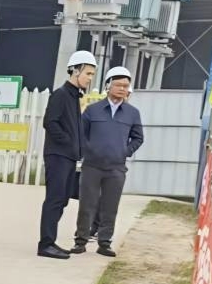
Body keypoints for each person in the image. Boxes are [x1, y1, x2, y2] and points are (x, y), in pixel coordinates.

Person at [73, 67, 144, 258]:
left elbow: (138, 138)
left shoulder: (132, 113)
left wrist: (124, 151)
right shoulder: (92, 110)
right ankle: (80, 240)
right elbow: (81, 134)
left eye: (126, 86)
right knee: (87, 205)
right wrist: (89, 150)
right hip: (92, 166)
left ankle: (104, 242)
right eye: (118, 85)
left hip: (116, 168)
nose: (122, 89)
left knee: (110, 206)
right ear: (108, 86)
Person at [38, 50, 96, 259]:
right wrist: (69, 143)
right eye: (88, 73)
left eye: (92, 75)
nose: (90, 78)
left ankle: (50, 241)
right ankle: (45, 244)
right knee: (55, 199)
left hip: (68, 157)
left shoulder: (73, 96)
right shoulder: (61, 94)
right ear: (75, 70)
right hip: (58, 156)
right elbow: (50, 122)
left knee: (62, 199)